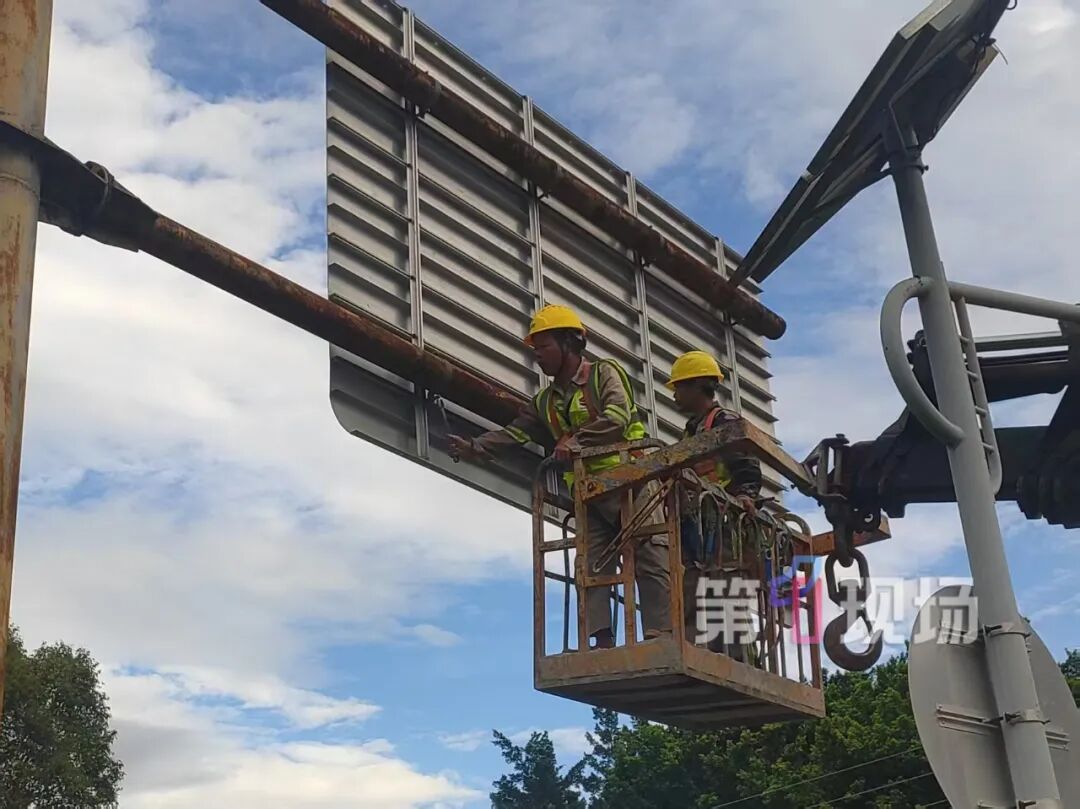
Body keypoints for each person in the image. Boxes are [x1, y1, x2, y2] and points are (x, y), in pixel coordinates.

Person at [448, 304, 672, 649]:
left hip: (632, 478)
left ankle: (661, 634)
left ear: (570, 343)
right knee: (590, 565)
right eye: (535, 350)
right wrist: (475, 447)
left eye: (544, 347)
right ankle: (602, 641)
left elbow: (618, 415)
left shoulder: (603, 374)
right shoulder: (545, 401)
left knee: (650, 553)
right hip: (589, 493)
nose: (537, 356)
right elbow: (517, 433)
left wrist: (576, 441)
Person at [666, 350, 762, 657]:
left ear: (698, 386)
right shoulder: (691, 430)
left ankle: (737, 663)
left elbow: (746, 465)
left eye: (679, 387)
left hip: (724, 521)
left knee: (727, 591)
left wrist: (745, 495)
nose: (675, 395)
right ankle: (703, 656)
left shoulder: (724, 421)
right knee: (697, 588)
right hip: (700, 524)